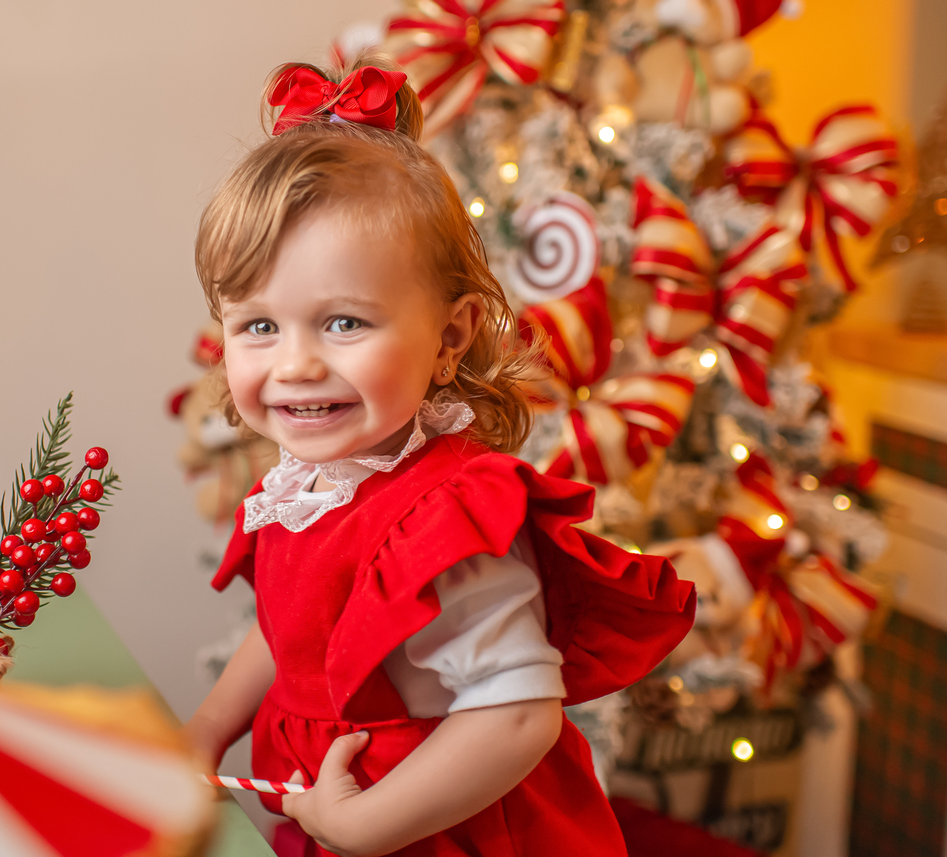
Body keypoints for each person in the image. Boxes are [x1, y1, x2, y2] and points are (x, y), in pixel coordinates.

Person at [184, 56, 695, 857]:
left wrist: (365, 824)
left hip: (448, 835)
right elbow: (292, 631)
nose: (295, 364)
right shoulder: (312, 481)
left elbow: (518, 714)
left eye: (344, 323)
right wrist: (209, 726)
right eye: (259, 326)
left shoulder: (446, 519)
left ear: (450, 336)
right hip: (339, 818)